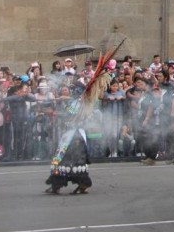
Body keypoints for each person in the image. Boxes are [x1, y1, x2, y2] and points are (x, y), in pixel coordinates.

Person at [45, 41, 124, 194]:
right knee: (60, 159)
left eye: (73, 88)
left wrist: (57, 114)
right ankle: (57, 183)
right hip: (69, 135)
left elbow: (74, 115)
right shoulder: (74, 102)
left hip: (75, 136)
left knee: (74, 161)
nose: (71, 89)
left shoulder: (81, 104)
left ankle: (80, 184)